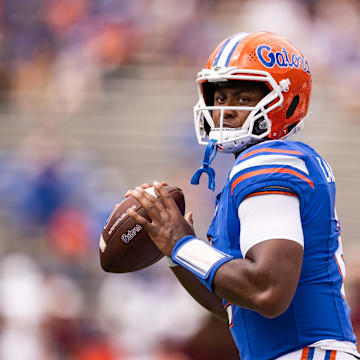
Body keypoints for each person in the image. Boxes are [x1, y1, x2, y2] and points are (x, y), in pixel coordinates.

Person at [126, 32, 360, 360]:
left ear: (287, 100)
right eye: (220, 98)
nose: (225, 110)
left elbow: (267, 291)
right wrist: (176, 252)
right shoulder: (270, 164)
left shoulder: (267, 161)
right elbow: (233, 304)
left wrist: (183, 244)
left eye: (243, 97)